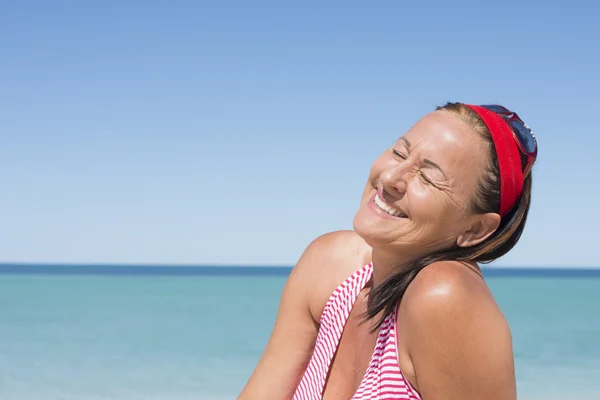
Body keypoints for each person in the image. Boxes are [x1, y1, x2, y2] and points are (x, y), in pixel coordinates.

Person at [238, 102, 537, 400]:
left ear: (475, 230)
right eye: (399, 153)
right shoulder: (329, 265)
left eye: (428, 177)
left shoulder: (444, 293)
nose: (391, 178)